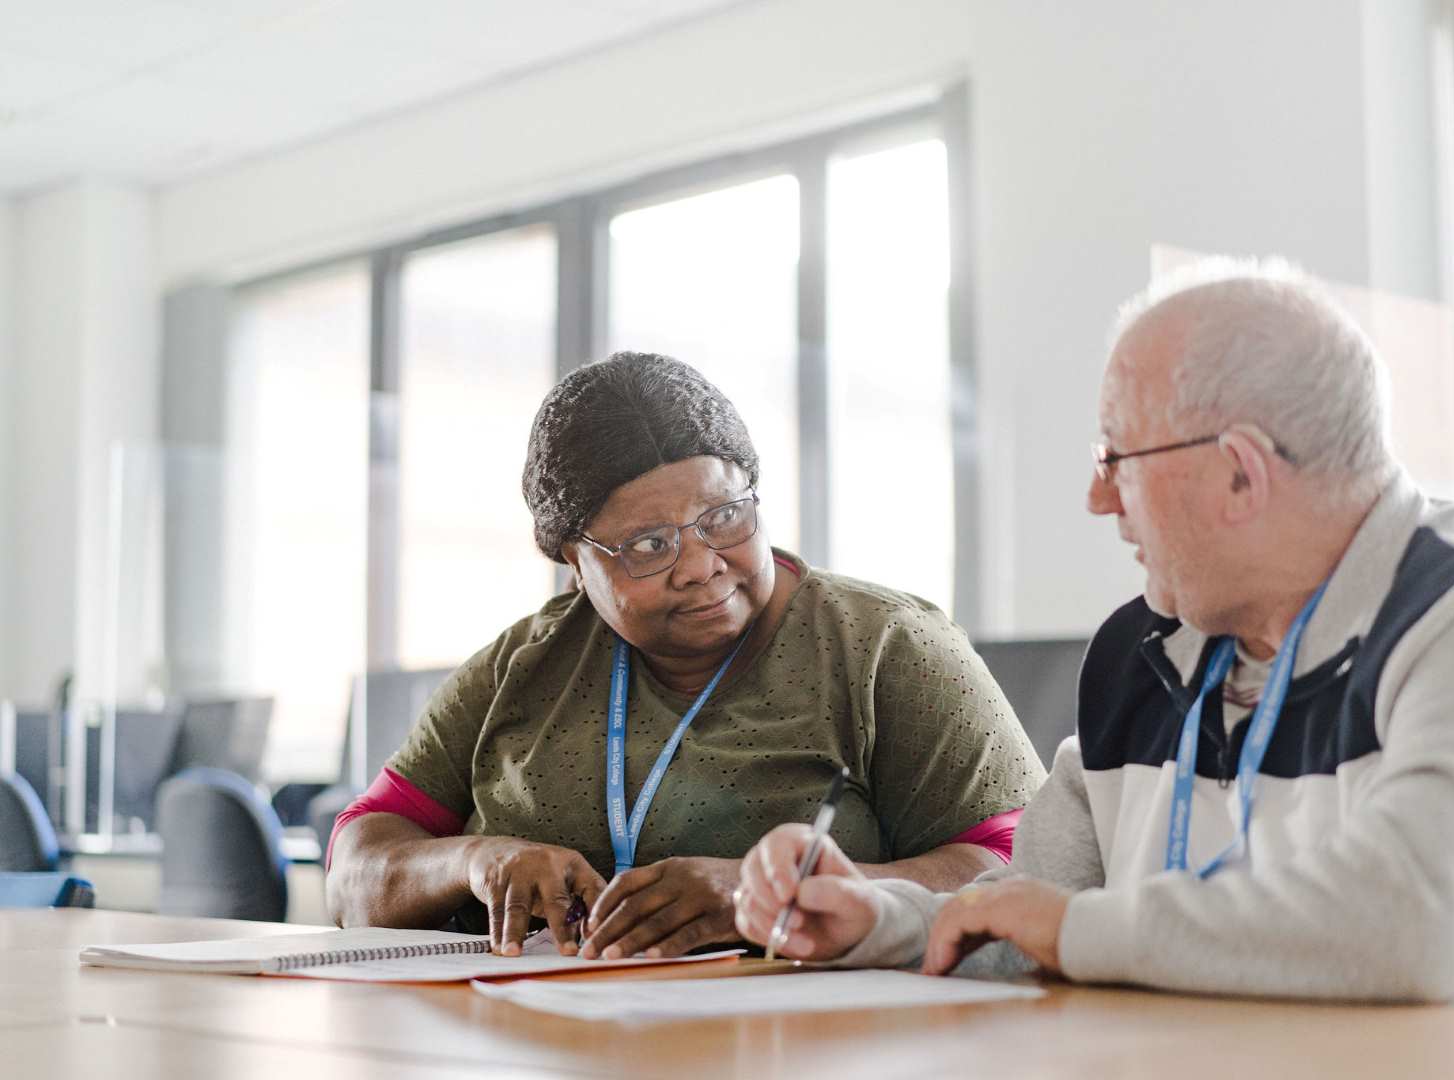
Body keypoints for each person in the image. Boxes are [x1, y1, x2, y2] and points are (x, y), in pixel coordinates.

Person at [732, 258, 1454, 1003]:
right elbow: (1035, 914)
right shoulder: (1143, 649)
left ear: (1240, 473)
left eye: (1115, 457)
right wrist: (875, 921)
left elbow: (1423, 926)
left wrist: (1073, 928)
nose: (1096, 498)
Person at [325, 351, 1045, 961]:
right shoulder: (523, 665)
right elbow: (353, 867)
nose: (700, 565)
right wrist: (477, 861)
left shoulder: (887, 647)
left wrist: (755, 897)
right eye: (648, 545)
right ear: (574, 562)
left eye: (724, 517)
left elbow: (1027, 867)